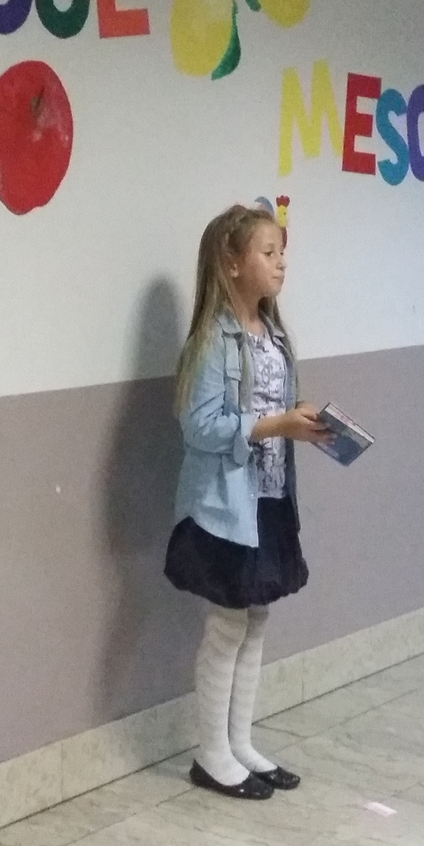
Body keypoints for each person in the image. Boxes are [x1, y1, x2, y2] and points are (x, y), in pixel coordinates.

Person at [165, 204, 331, 800]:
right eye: (268, 253)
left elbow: (268, 408)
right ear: (232, 264)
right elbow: (200, 427)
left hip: (269, 496)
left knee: (255, 620)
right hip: (226, 505)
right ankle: (210, 755)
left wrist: (296, 419)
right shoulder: (213, 340)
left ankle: (240, 744)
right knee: (227, 624)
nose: (281, 264)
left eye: (282, 253)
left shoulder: (274, 335)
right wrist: (274, 425)